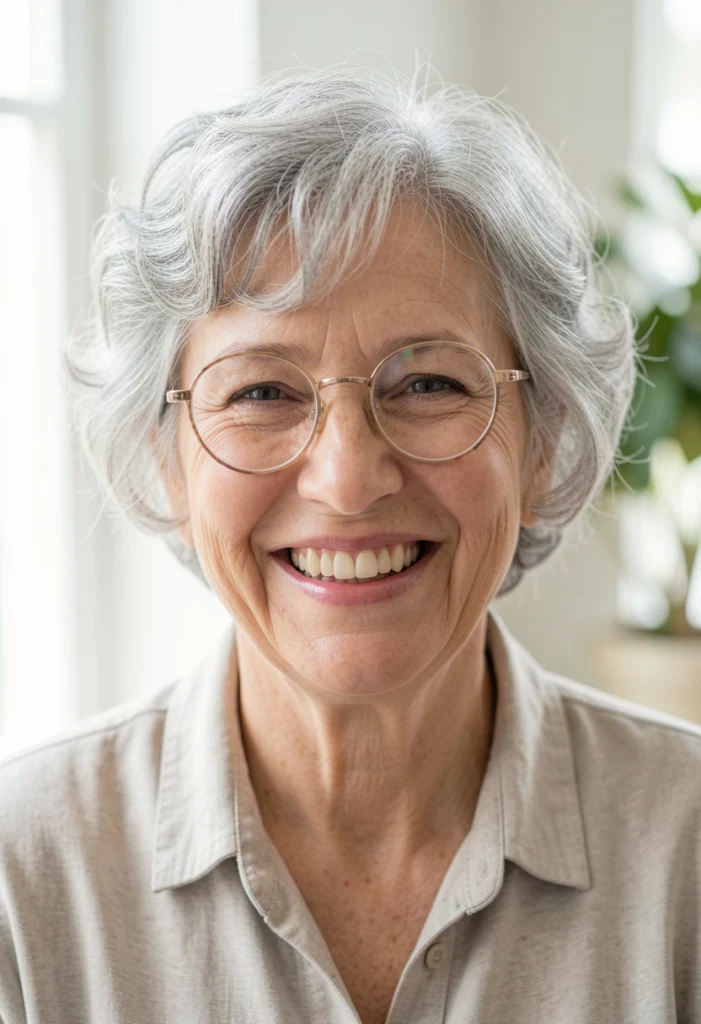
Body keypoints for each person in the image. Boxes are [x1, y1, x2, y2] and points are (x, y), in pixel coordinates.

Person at [1, 68, 699, 1024]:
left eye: (429, 385)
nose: (346, 478)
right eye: (261, 393)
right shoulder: (22, 876)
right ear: (166, 461)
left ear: (542, 441)